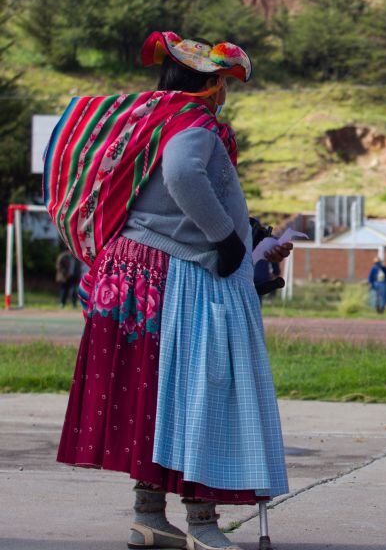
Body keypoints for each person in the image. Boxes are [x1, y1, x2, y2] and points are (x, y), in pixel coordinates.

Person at [47, 31, 293, 550]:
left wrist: (245, 227)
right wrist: (226, 239)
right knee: (200, 390)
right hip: (175, 271)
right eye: (224, 82)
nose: (226, 93)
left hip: (131, 270)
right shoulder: (195, 123)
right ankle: (202, 525)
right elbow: (183, 174)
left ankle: (149, 517)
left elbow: (163, 189)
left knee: (152, 396)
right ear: (210, 83)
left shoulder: (148, 118)